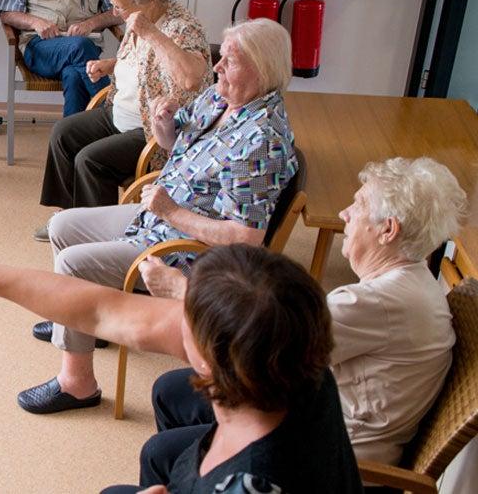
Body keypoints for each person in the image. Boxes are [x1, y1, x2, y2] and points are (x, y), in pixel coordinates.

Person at [0, 244, 363, 493]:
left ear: (208, 359)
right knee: (162, 438)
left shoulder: (247, 486)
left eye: (185, 314)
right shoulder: (289, 345)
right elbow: (101, 312)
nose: (172, 315)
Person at [26, 18, 298, 414]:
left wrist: (171, 210)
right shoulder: (221, 98)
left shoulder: (262, 141)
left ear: (263, 69)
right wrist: (165, 126)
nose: (217, 67)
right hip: (158, 214)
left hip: (188, 248)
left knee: (73, 264)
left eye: (230, 62)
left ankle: (77, 383)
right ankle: (84, 321)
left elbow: (245, 238)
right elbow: (179, 152)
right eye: (220, 58)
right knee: (63, 226)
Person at [142, 157, 464, 467]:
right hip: (318, 413)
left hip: (326, 455)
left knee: (162, 452)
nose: (344, 213)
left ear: (388, 230)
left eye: (359, 205)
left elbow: (256, 339)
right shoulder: (415, 281)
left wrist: (182, 290)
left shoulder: (378, 303)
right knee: (173, 391)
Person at [34, 0, 211, 241]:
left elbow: (191, 77)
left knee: (90, 160)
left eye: (121, 6)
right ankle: (67, 215)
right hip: (119, 110)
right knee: (62, 133)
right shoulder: (138, 17)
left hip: (153, 127)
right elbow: (144, 61)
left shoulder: (183, 27)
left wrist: (151, 33)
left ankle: (97, 236)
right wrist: (111, 64)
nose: (117, 13)